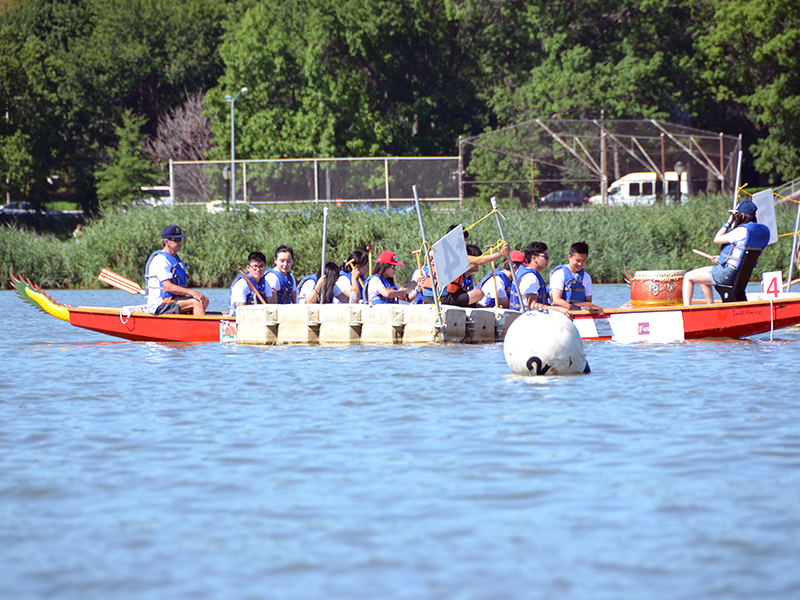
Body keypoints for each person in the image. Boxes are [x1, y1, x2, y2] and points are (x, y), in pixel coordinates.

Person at [682, 200, 770, 305]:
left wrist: (728, 222)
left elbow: (717, 239)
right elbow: (741, 253)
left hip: (727, 274)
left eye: (735, 215)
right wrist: (721, 258)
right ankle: (710, 306)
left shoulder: (741, 231)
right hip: (742, 275)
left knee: (688, 277)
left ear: (741, 215)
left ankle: (687, 308)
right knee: (703, 278)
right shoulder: (762, 232)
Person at [421, 224, 510, 306]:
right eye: (463, 240)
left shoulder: (438, 252)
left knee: (466, 294)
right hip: (442, 299)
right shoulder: (456, 256)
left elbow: (430, 253)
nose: (466, 242)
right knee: (479, 293)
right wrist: (501, 253)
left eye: (466, 239)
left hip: (427, 297)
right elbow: (480, 260)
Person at [144, 225, 209, 315]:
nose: (180, 242)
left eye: (181, 239)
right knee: (197, 302)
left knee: (204, 300)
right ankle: (201, 328)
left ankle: (189, 325)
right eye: (176, 240)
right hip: (159, 305)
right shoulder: (161, 260)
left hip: (172, 300)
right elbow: (167, 287)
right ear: (166, 241)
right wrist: (193, 293)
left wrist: (195, 295)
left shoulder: (174, 259)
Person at [514, 243, 571, 315]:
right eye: (545, 257)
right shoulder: (530, 278)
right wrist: (558, 309)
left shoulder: (528, 274)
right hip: (528, 319)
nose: (548, 260)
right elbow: (532, 305)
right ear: (534, 258)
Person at [549, 241, 603, 314]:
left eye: (583, 261)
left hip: (577, 314)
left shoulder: (586, 277)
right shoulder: (559, 274)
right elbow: (556, 300)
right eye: (577, 260)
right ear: (569, 257)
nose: (580, 264)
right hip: (560, 314)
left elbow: (588, 301)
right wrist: (574, 309)